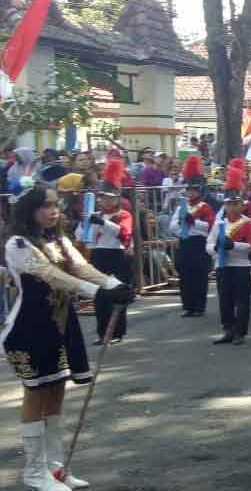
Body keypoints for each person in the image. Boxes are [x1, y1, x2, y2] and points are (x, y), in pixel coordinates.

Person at [4, 181, 134, 491]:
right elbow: (52, 275)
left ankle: (56, 468)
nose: (53, 211)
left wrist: (114, 285)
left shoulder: (58, 239)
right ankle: (34, 471)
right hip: (29, 328)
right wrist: (96, 293)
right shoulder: (17, 244)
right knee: (37, 393)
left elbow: (81, 267)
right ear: (29, 210)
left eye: (56, 204)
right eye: (45, 205)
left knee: (56, 393)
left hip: (61, 325)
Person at [75, 158, 133, 346]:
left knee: (116, 294)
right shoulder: (96, 215)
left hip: (116, 256)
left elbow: (124, 233)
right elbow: (81, 236)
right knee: (100, 296)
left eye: (109, 197)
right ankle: (102, 333)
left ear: (117, 198)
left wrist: (103, 223)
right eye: (103, 197)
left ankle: (117, 332)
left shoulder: (124, 214)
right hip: (98, 256)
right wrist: (84, 223)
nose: (105, 200)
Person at [207, 164, 251, 345]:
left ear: (241, 205)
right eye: (229, 204)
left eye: (236, 204)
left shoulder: (247, 223)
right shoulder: (219, 223)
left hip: (240, 266)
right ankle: (228, 329)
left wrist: (233, 245)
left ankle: (240, 332)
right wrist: (215, 249)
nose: (232, 207)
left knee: (242, 301)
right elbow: (209, 243)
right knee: (224, 300)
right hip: (222, 266)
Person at [169, 156, 215, 318]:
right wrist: (183, 226)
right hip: (185, 242)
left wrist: (193, 221)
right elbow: (172, 226)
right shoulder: (181, 207)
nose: (190, 192)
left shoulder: (205, 207)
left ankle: (199, 307)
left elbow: (209, 226)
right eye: (188, 189)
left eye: (194, 190)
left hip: (199, 243)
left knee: (199, 276)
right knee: (185, 275)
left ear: (199, 190)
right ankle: (188, 306)